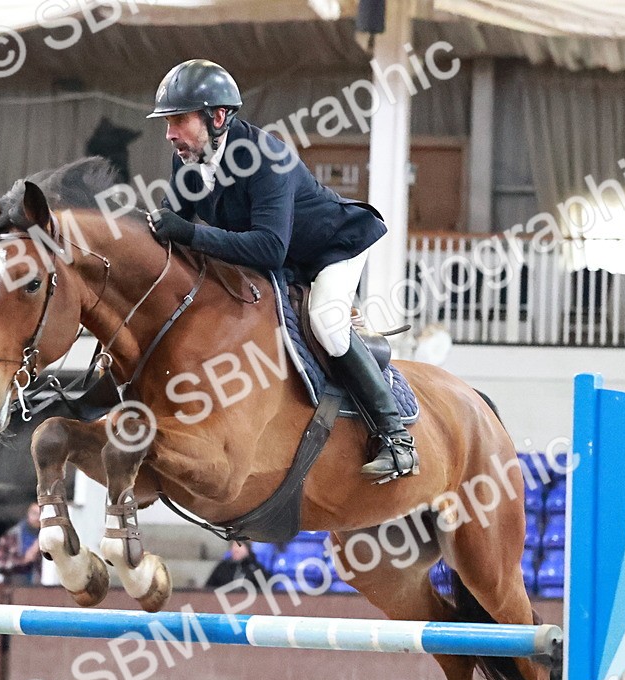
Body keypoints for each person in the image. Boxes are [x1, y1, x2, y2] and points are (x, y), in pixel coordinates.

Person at [145, 59, 419, 483]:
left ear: (217, 117)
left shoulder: (266, 157)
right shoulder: (188, 159)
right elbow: (173, 226)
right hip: (282, 259)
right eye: (167, 123)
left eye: (179, 120)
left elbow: (270, 248)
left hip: (332, 247)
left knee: (326, 323)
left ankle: (396, 438)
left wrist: (190, 235)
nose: (170, 134)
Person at [0, 502, 42, 585]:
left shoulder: (49, 536)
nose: (38, 518)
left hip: (42, 588)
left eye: (41, 515)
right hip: (15, 586)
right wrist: (24, 561)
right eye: (35, 513)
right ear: (28, 514)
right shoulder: (12, 535)